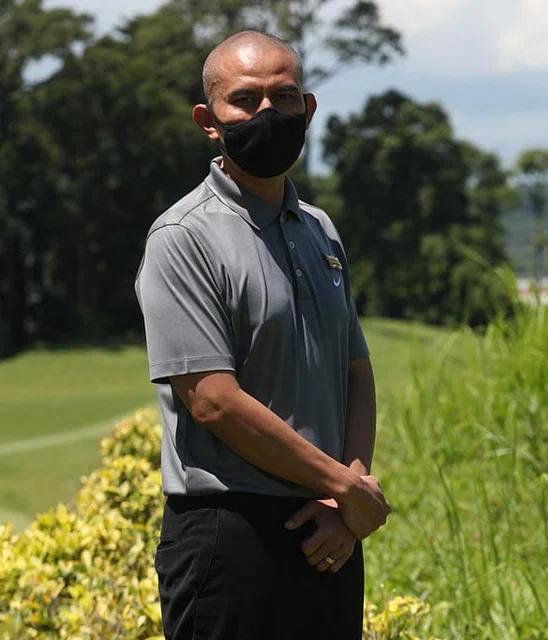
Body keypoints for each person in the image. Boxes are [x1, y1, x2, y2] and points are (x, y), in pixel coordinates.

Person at [134, 30, 391, 640]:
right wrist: (345, 487)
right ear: (208, 121)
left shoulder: (320, 230)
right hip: (229, 537)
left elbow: (354, 368)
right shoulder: (183, 237)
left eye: (283, 97)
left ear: (309, 108)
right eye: (246, 101)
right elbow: (212, 399)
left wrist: (343, 503)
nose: (267, 114)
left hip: (326, 531)